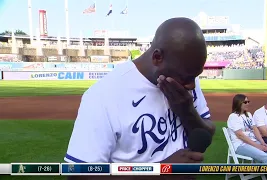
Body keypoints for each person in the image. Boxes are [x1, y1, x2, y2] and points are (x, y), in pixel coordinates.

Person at [64, 17, 215, 179]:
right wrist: (160, 172)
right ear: (157, 57)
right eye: (186, 77)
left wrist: (188, 111)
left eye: (195, 76)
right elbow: (79, 174)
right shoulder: (103, 95)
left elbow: (207, 134)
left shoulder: (185, 75)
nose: (192, 85)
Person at [227, 94, 267, 180]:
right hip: (241, 145)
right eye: (245, 102)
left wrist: (263, 143)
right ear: (238, 103)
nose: (248, 103)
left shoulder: (248, 115)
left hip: (254, 142)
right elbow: (241, 136)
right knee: (266, 158)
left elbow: (255, 130)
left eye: (248, 101)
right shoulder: (233, 117)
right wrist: (258, 146)